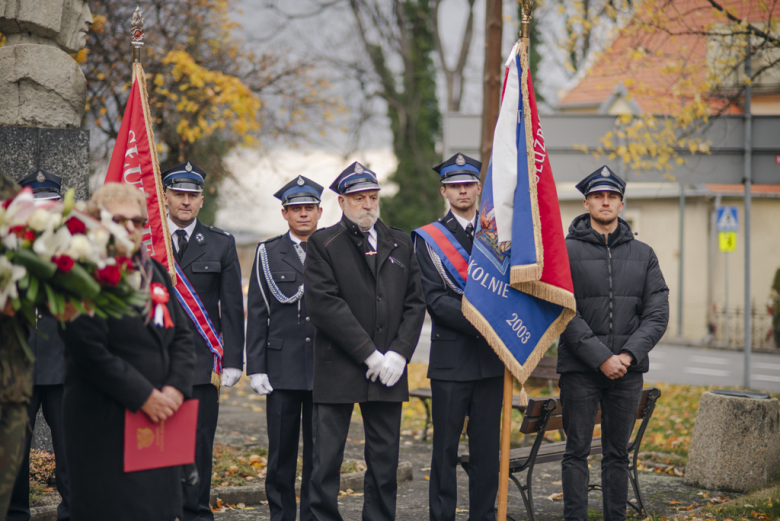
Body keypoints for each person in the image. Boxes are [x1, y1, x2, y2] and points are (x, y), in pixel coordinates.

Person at [58, 182, 196, 521]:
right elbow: (89, 351)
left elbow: (182, 337)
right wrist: (143, 395)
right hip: (106, 422)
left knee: (158, 511)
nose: (131, 228)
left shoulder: (156, 272)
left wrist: (176, 387)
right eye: (120, 220)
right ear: (96, 223)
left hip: (159, 418)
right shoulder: (80, 273)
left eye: (138, 222)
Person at [303, 162, 426, 521]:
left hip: (389, 369)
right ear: (342, 202)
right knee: (326, 462)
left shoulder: (401, 242)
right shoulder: (323, 243)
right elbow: (325, 305)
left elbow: (415, 303)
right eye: (359, 198)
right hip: (338, 367)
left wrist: (400, 355)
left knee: (385, 463)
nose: (368, 205)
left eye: (373, 197)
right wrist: (369, 355)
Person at [558, 166, 669, 521]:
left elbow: (657, 313)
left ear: (621, 204)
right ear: (587, 202)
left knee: (617, 455)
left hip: (627, 371)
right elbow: (560, 311)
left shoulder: (644, 254)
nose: (605, 202)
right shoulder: (564, 251)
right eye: (597, 196)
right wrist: (601, 357)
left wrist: (627, 355)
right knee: (576, 452)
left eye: (612, 197)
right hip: (580, 370)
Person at [412, 153, 504, 521]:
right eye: (455, 185)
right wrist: (485, 323)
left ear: (479, 188)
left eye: (468, 184)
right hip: (452, 362)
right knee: (444, 451)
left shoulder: (498, 235)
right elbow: (434, 300)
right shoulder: (427, 239)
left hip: (493, 362)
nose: (463, 190)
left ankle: (482, 515)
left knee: (486, 452)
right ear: (444, 191)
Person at [160, 161, 245, 521]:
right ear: (165, 196)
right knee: (156, 446)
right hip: (154, 363)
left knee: (198, 448)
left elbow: (233, 308)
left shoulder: (220, 243)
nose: (185, 201)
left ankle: (195, 514)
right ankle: (160, 511)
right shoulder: (147, 240)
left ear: (201, 200)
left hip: (200, 365)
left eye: (191, 195)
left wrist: (233, 361)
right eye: (178, 194)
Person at [245, 175, 323, 521]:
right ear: (284, 213)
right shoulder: (267, 252)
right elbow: (258, 311)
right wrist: (256, 366)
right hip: (280, 368)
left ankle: (312, 515)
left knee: (319, 455)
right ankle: (281, 516)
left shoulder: (332, 247)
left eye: (309, 208)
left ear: (320, 211)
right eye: (296, 209)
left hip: (324, 366)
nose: (303, 214)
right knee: (280, 455)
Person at [6, 171, 71, 521]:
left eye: (52, 205)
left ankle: (72, 515)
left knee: (70, 455)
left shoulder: (78, 247)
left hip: (64, 365)